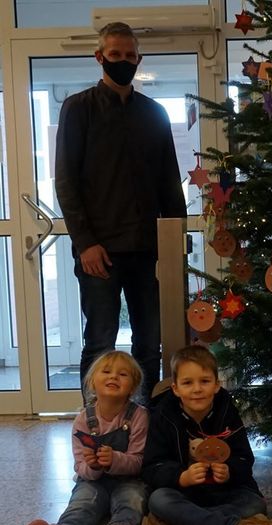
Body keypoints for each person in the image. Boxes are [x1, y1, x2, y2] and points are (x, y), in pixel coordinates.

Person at [54, 22, 187, 403]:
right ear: (100, 57)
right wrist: (85, 243)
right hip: (99, 252)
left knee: (150, 342)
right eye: (115, 55)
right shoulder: (78, 109)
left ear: (139, 59)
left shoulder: (155, 113)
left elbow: (169, 184)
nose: (123, 61)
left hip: (148, 250)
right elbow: (66, 182)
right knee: (99, 343)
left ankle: (148, 425)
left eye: (130, 56)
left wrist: (175, 245)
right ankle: (95, 429)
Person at [140, 345, 272, 525]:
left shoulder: (227, 412)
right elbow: (151, 467)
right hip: (184, 492)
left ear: (216, 385)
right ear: (176, 388)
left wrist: (228, 471)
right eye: (187, 383)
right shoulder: (163, 416)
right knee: (158, 500)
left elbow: (244, 457)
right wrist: (182, 477)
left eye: (205, 381)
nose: (197, 389)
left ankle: (177, 524)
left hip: (227, 491)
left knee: (255, 504)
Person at [26, 351, 149, 525]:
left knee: (131, 502)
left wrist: (114, 460)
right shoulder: (83, 419)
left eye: (123, 374)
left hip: (128, 480)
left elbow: (139, 461)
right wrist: (92, 466)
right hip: (92, 482)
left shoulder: (139, 416)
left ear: (132, 387)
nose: (114, 376)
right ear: (92, 382)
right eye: (106, 371)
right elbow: (79, 467)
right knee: (81, 504)